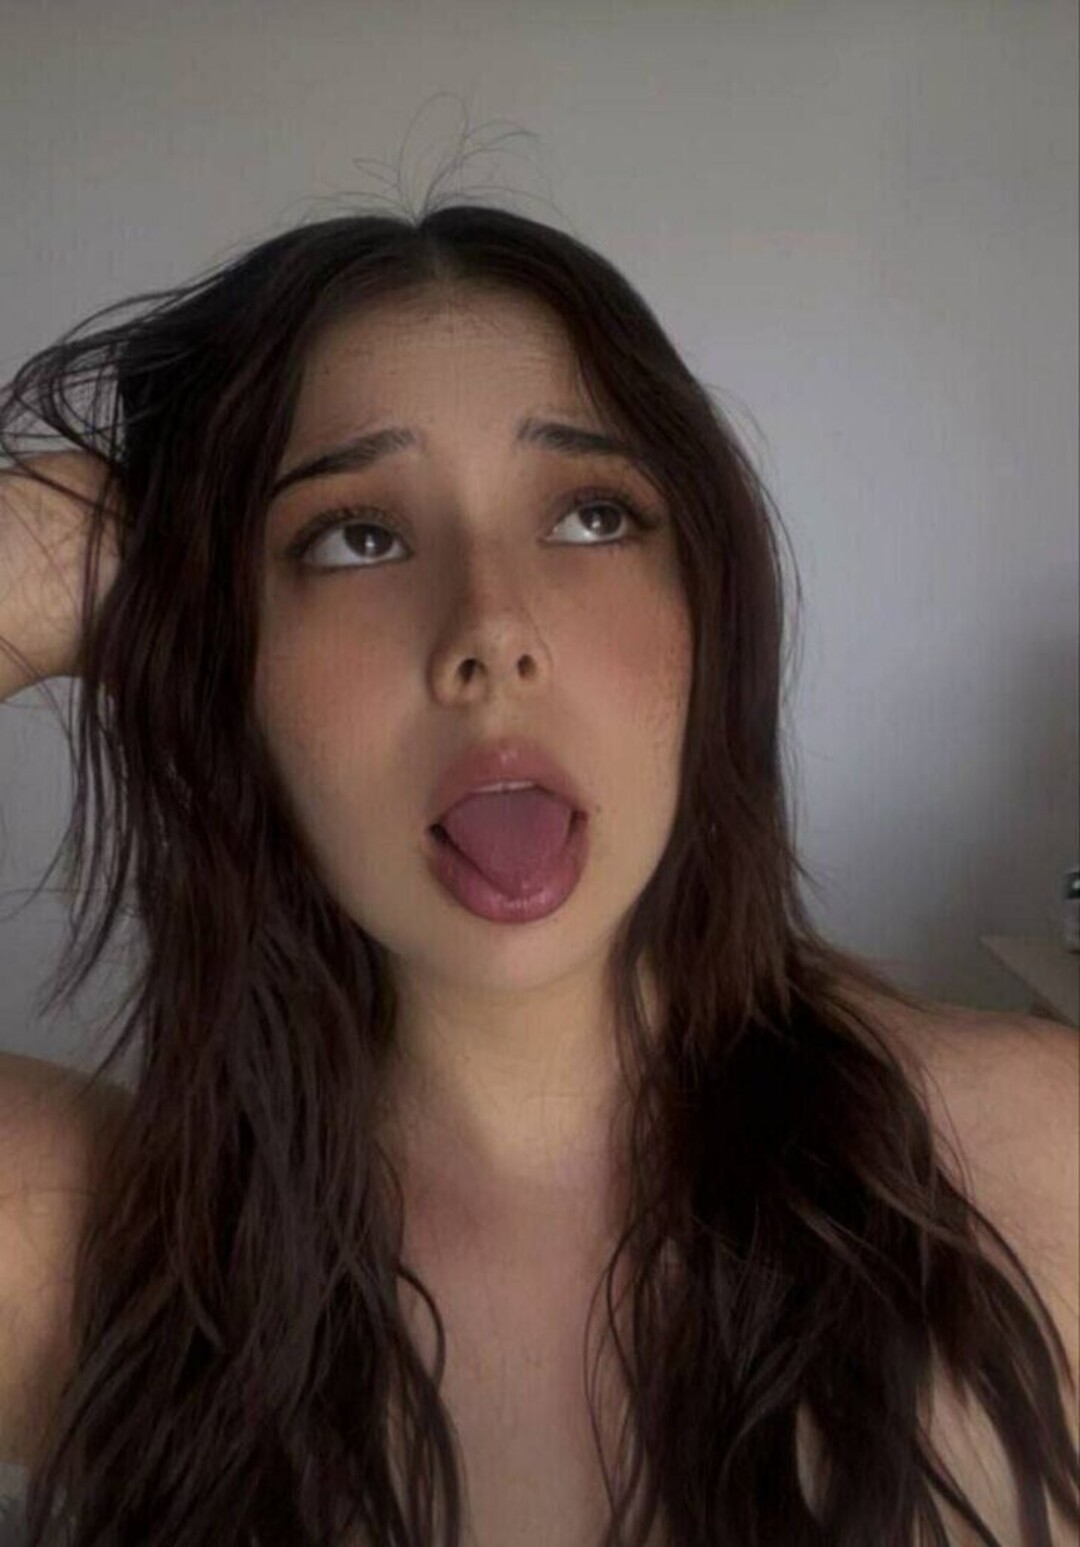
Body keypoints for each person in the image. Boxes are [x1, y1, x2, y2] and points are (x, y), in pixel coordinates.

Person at [0, 195, 1076, 1547]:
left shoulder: (1043, 1162)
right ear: (234, 665)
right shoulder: (92, 1252)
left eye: (590, 516)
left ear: (710, 608)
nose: (492, 628)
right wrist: (71, 556)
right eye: (355, 537)